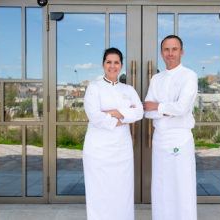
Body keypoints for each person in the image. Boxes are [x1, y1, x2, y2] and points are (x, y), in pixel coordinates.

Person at [83, 48, 143, 220]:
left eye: (116, 62)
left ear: (121, 66)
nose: (112, 66)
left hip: (122, 149)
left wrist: (110, 112)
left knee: (122, 191)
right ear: (103, 65)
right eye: (109, 62)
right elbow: (95, 116)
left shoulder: (128, 89)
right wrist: (124, 114)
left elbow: (138, 113)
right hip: (98, 150)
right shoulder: (94, 88)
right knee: (99, 192)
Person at [144, 35, 198, 220]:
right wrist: (168, 108)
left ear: (181, 52)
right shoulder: (156, 79)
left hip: (179, 138)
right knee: (161, 184)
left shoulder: (189, 75)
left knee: (182, 184)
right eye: (166, 50)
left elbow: (182, 108)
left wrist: (158, 106)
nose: (170, 53)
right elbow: (147, 111)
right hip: (160, 138)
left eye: (174, 49)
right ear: (161, 53)